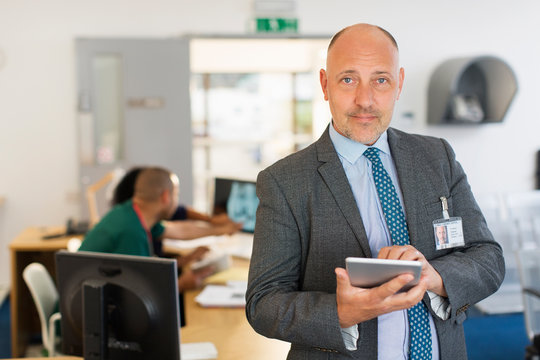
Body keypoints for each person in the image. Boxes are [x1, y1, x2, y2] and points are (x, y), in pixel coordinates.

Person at [246, 23, 505, 359]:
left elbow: (488, 258)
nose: (364, 100)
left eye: (380, 80)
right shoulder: (285, 181)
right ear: (325, 84)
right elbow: (263, 302)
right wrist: (341, 313)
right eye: (348, 79)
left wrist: (435, 276)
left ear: (398, 84)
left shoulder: (437, 157)